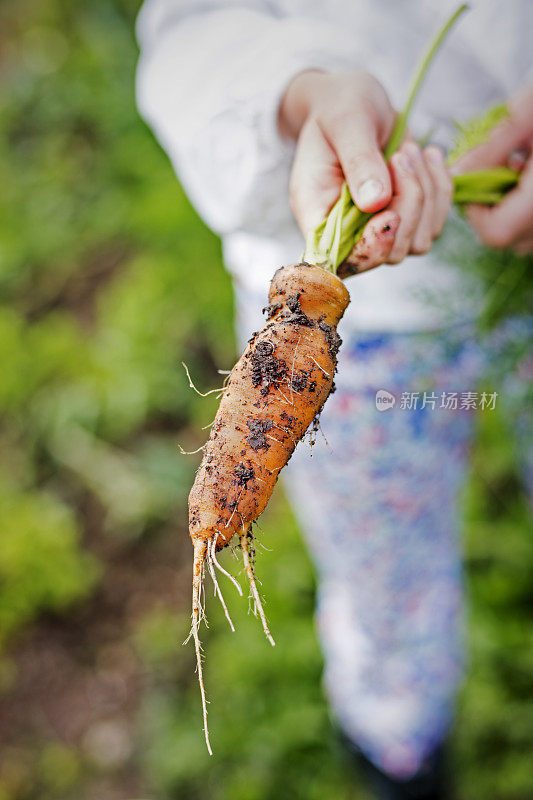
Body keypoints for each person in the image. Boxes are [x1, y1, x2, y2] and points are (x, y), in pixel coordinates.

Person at [135, 1, 533, 796]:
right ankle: (401, 749)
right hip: (374, 338)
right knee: (385, 575)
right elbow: (187, 27)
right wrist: (303, 95)